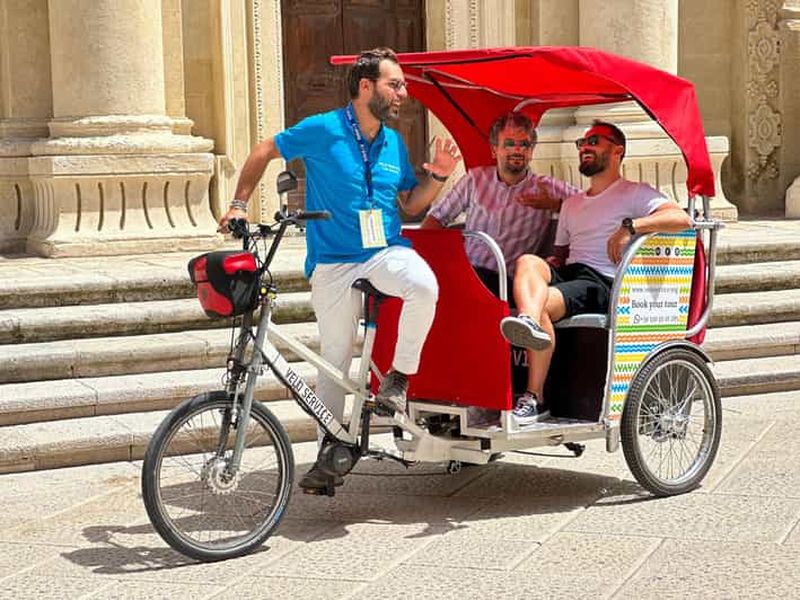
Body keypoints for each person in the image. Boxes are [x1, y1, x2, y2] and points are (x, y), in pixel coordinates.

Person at [217, 47, 461, 492]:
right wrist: (238, 203)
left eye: (403, 85)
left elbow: (411, 204)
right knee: (334, 360)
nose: (403, 93)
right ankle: (329, 453)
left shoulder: (394, 143)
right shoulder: (324, 129)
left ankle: (398, 379)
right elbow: (264, 149)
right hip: (331, 261)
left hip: (383, 252)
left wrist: (439, 177)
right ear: (366, 86)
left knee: (424, 285)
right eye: (395, 84)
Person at [499, 120, 692, 425]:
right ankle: (528, 323)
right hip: (572, 272)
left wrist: (630, 227)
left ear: (617, 151)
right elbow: (560, 254)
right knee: (527, 262)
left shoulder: (634, 193)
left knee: (542, 302)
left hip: (601, 281)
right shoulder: (572, 203)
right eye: (582, 143)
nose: (584, 148)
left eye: (594, 141)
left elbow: (681, 219)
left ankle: (535, 397)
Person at [420, 112, 579, 303]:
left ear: (531, 152)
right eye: (509, 143)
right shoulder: (475, 179)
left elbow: (591, 205)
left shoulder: (545, 186)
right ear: (494, 150)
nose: (517, 150)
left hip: (507, 282)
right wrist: (425, 256)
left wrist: (554, 205)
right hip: (467, 272)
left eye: (524, 144)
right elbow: (436, 218)